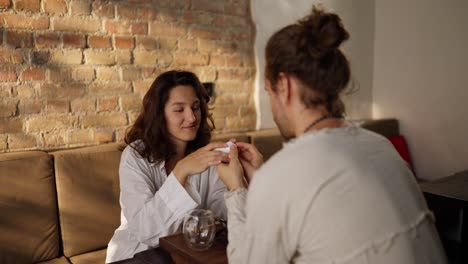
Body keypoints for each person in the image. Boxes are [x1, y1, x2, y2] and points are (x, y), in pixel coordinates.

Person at [216, 6, 448, 264]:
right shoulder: (381, 146)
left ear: (284, 85)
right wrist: (261, 179)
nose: (271, 105)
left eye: (269, 92)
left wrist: (237, 190)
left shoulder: (282, 175)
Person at [106, 70, 230, 263]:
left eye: (195, 107)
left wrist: (241, 179)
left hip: (185, 254)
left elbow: (222, 211)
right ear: (159, 114)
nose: (191, 118)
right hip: (137, 255)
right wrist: (181, 171)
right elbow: (145, 231)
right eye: (179, 110)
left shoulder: (205, 155)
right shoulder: (135, 155)